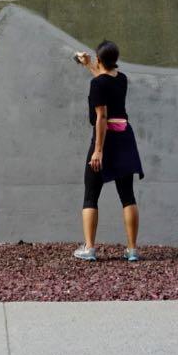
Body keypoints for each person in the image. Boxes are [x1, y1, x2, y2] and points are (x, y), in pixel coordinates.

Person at [73, 40, 144, 261]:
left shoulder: (98, 84)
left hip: (106, 139)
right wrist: (88, 65)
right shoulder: (121, 79)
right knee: (127, 196)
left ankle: (90, 248)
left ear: (100, 59)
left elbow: (101, 117)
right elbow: (103, 79)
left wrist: (98, 151)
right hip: (125, 137)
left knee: (91, 195)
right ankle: (132, 250)